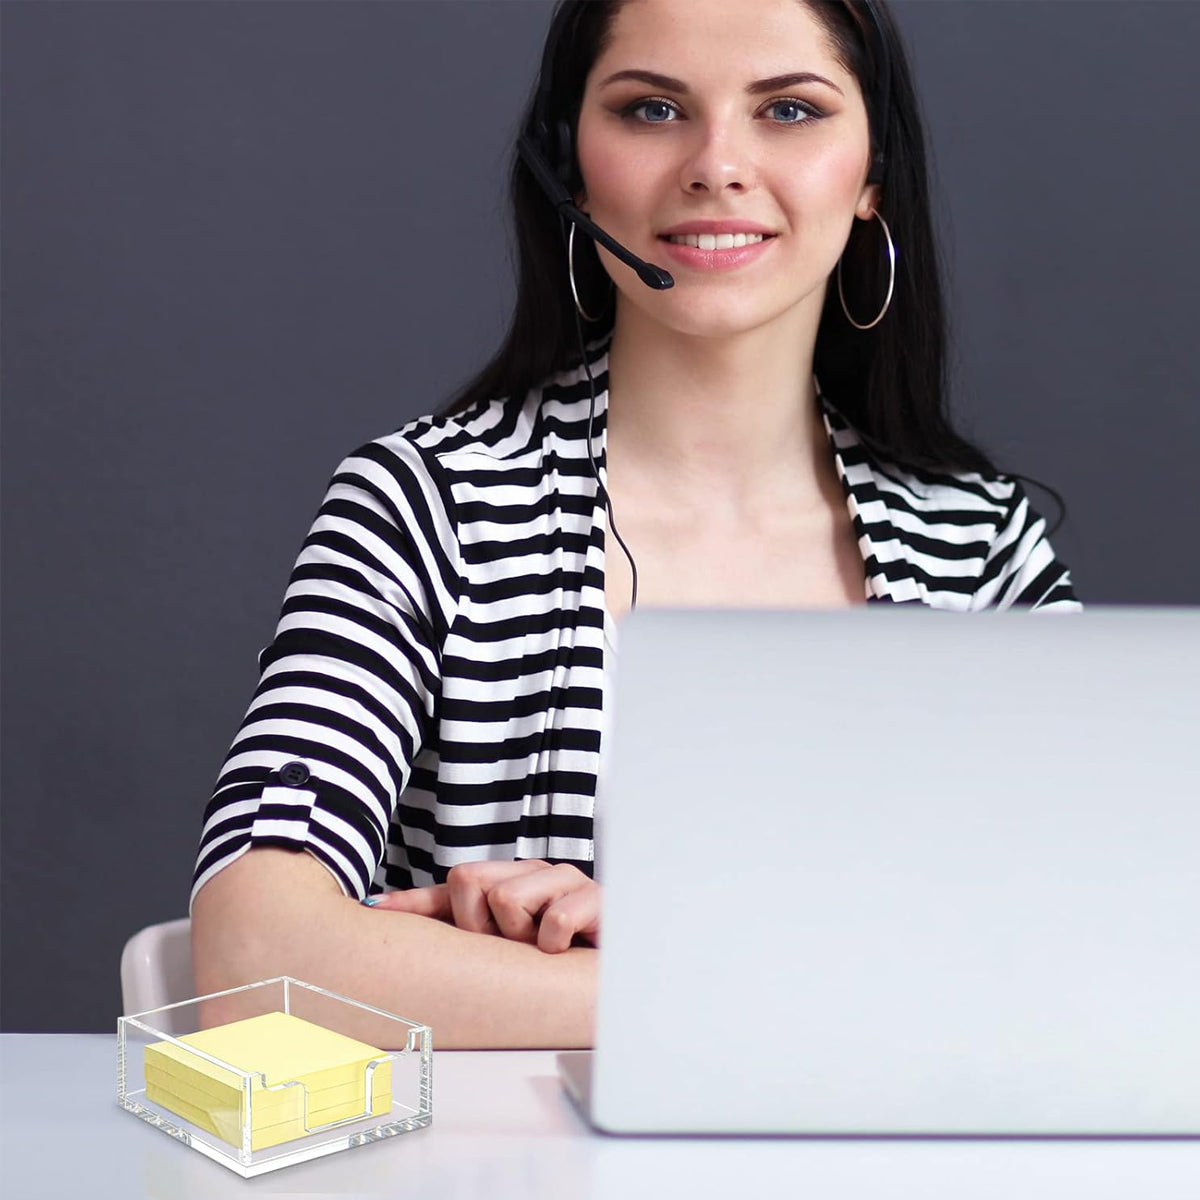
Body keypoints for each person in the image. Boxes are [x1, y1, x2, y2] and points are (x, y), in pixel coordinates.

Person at [189, 0, 1080, 1049]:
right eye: (653, 109)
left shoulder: (981, 548)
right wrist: (760, 992)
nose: (718, 166)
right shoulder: (427, 504)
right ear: (570, 164)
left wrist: (680, 954)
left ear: (872, 173)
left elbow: (1094, 958)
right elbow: (253, 959)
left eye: (789, 110)